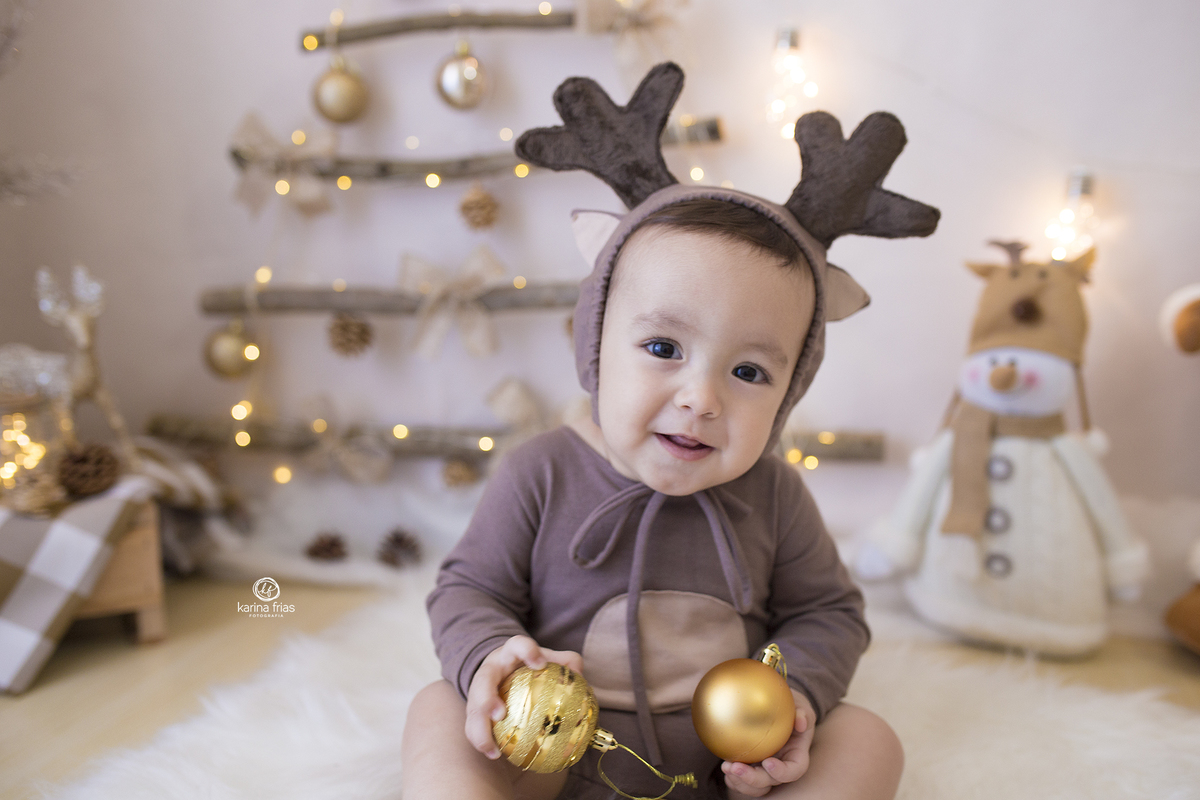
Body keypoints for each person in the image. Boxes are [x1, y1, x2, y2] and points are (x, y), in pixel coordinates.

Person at [402, 63, 939, 800]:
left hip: (730, 767)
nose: (701, 399)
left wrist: (797, 701)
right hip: (554, 757)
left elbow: (829, 612)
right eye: (663, 350)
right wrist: (492, 656)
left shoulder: (775, 493)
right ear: (596, 347)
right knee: (437, 711)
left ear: (789, 393)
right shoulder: (542, 472)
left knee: (870, 740)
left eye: (749, 373)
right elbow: (467, 590)